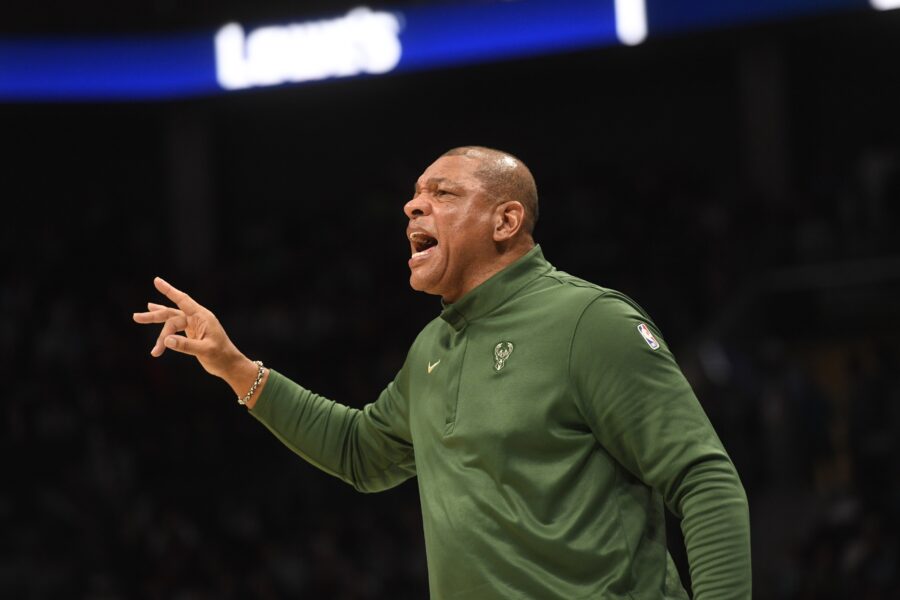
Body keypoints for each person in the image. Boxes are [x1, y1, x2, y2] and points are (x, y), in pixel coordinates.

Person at [133, 146, 751, 599]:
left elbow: (702, 478)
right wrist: (235, 366)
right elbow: (360, 453)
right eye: (414, 195)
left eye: (442, 194)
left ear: (505, 222)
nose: (411, 205)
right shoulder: (432, 346)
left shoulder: (590, 321)